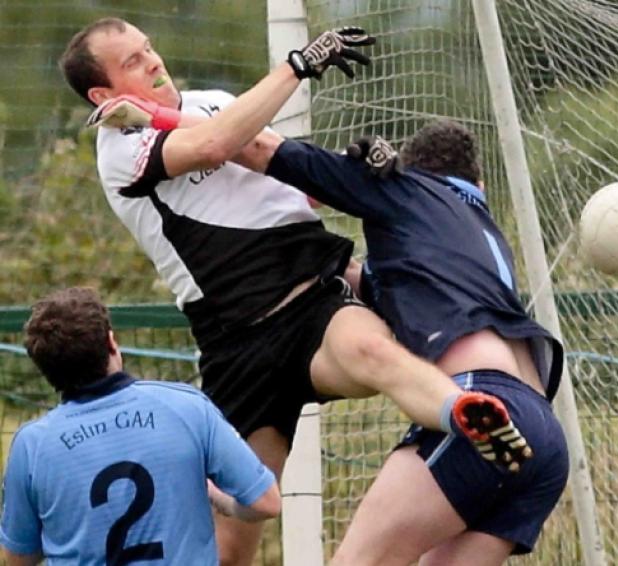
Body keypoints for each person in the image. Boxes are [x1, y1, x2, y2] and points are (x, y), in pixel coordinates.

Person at [59, 18, 531, 564]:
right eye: (133, 62)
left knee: (370, 348)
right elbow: (214, 145)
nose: (153, 60)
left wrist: (375, 171)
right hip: (237, 344)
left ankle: (467, 411)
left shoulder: (214, 101)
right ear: (102, 93)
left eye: (148, 48)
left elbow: (289, 173)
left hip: (314, 300)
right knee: (232, 548)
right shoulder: (119, 148)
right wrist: (298, 66)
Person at [248, 120, 570, 565]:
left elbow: (263, 146)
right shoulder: (478, 235)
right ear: (480, 184)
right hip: (545, 437)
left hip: (482, 405)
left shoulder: (406, 187)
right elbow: (375, 284)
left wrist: (161, 124)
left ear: (414, 170)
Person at [0, 287, 281, 566]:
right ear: (111, 342)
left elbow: (18, 558)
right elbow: (266, 503)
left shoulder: (32, 445)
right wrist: (223, 501)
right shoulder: (185, 407)